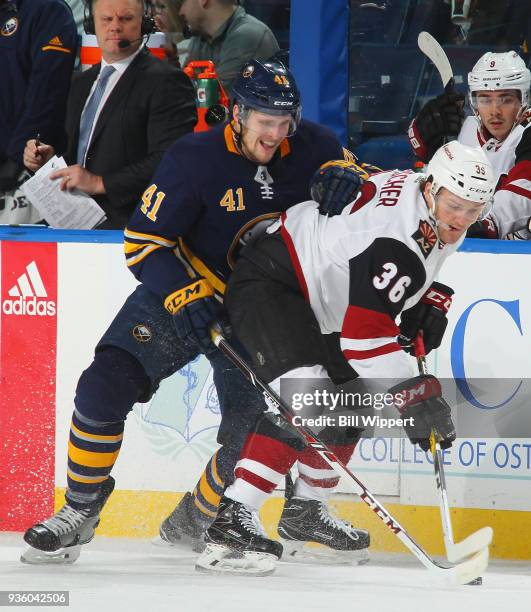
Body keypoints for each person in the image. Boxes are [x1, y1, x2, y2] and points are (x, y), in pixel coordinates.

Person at [20, 59, 370, 565]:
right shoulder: (194, 157)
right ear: (236, 112)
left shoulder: (316, 145)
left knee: (248, 435)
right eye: (262, 121)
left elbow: (376, 186)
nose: (273, 134)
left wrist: (351, 174)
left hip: (266, 315)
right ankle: (79, 510)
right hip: (185, 290)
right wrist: (186, 295)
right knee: (103, 384)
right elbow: (144, 241)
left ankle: (195, 519)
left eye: (283, 121)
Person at [195, 140, 497, 575]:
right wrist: (414, 396)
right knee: (310, 399)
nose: (461, 219)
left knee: (351, 399)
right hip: (276, 283)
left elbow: (396, 270)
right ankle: (232, 522)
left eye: (474, 210)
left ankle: (305, 513)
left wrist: (424, 296)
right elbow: (363, 341)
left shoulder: (427, 201)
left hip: (324, 299)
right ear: (432, 186)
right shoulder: (399, 236)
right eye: (455, 205)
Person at [22, 0, 197, 229]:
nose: (114, 27)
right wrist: (49, 161)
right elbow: (84, 156)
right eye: (106, 19)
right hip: (74, 226)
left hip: (131, 229)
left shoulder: (167, 81)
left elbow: (170, 158)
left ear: (143, 24)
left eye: (125, 19)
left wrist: (100, 183)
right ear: (91, 24)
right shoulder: (80, 82)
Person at [408, 49, 531, 239]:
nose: (494, 111)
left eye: (505, 100)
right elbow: (428, 186)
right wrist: (424, 145)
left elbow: (523, 191)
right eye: (485, 99)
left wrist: (485, 223)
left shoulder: (528, 133)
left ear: (523, 100)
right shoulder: (462, 130)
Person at [0, 0, 77, 221]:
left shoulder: (48, 10)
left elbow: (48, 93)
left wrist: (14, 161)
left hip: (20, 177)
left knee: (19, 252)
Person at [178, 0, 279, 96]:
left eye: (184, 1)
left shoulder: (248, 35)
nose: (180, 11)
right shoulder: (201, 38)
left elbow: (211, 98)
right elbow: (184, 87)